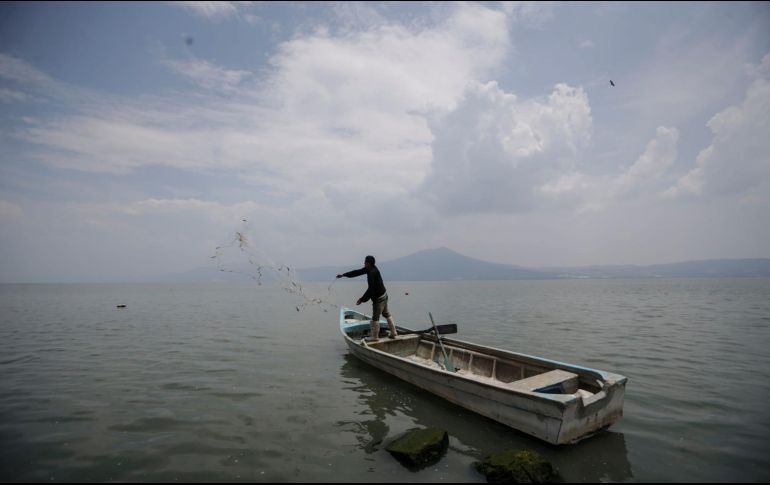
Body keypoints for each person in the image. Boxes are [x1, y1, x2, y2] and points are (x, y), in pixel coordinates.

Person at [337, 255, 398, 341]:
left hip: (379, 298)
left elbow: (371, 289)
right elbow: (356, 272)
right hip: (384, 295)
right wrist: (343, 275)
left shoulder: (372, 273)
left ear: (368, 263)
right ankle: (393, 332)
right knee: (386, 313)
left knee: (375, 318)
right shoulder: (371, 268)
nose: (364, 263)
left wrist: (362, 299)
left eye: (365, 262)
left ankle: (375, 337)